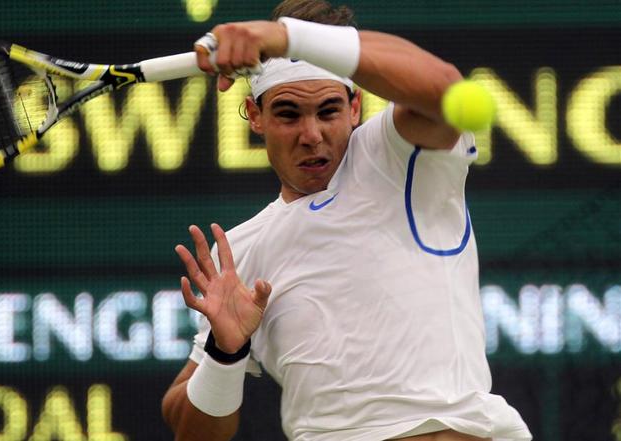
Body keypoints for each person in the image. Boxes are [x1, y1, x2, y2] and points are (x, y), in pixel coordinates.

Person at [161, 1, 532, 440]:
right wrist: (226, 353)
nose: (312, 134)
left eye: (329, 111)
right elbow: (191, 431)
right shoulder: (239, 252)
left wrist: (285, 38)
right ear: (255, 116)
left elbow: (445, 89)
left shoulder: (392, 156)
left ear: (355, 108)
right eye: (288, 114)